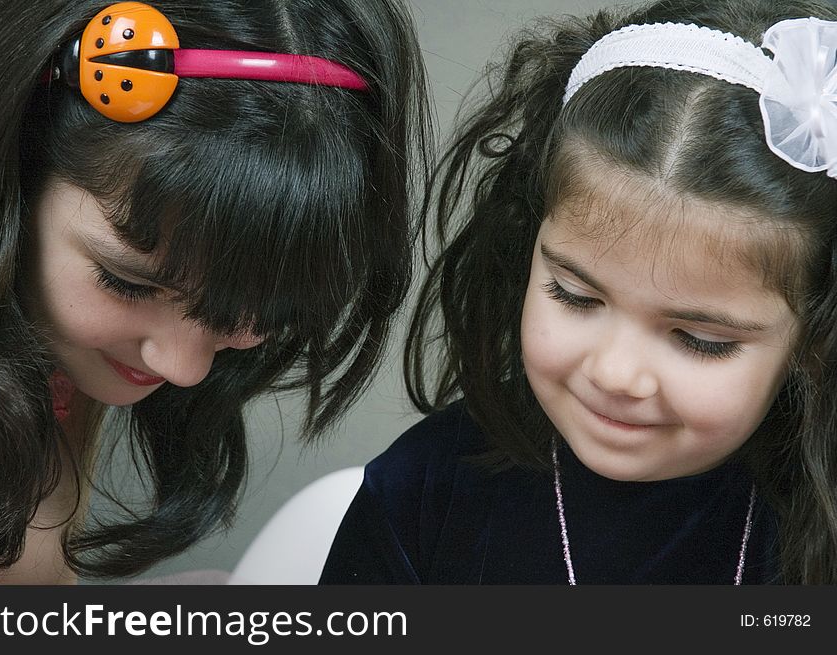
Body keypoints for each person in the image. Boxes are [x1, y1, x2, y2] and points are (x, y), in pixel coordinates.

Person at [320, 0, 837, 585]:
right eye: (574, 297)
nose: (617, 374)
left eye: (700, 340)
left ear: (816, 335)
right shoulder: (420, 496)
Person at [0, 0, 429, 584]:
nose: (183, 367)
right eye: (127, 282)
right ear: (18, 167)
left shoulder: (53, 352)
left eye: (250, 311)